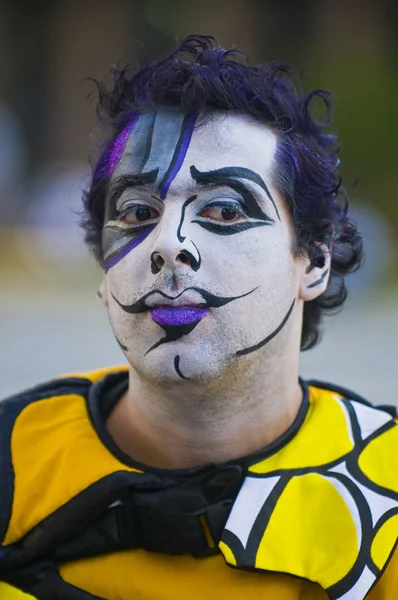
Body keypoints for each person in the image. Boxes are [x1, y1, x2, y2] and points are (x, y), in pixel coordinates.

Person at [0, 35, 397, 600]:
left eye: (226, 209)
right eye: (137, 212)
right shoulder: (11, 455)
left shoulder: (388, 496)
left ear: (312, 262)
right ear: (104, 280)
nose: (168, 244)